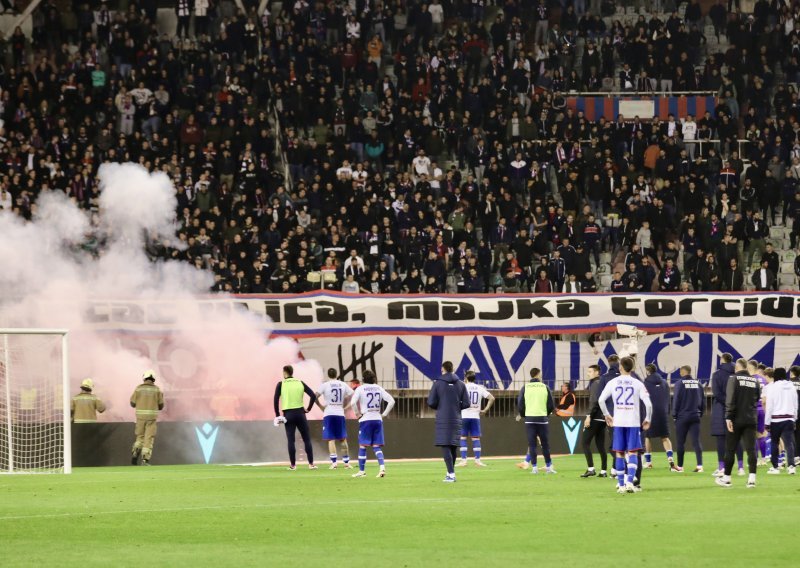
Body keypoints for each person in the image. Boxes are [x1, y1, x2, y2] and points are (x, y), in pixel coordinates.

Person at [598, 357, 653, 494]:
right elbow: (649, 404)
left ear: (620, 367)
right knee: (633, 452)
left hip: (619, 422)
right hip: (633, 422)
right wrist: (648, 418)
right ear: (632, 368)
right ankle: (630, 483)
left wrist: (607, 415)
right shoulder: (638, 383)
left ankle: (621, 485)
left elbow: (601, 400)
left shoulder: (612, 382)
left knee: (620, 453)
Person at [716, 358, 761, 488]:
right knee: (751, 449)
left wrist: (728, 416)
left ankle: (727, 478)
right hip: (751, 419)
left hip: (736, 419)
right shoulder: (755, 380)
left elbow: (730, 399)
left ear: (737, 368)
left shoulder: (733, 379)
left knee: (730, 449)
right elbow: (757, 397)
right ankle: (752, 479)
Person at [427, 361, 470, 482]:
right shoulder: (461, 384)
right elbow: (467, 403)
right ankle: (449, 473)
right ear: (453, 369)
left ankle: (451, 474)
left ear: (443, 369)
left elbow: (431, 402)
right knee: (453, 446)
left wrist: (441, 406)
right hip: (456, 417)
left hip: (443, 417)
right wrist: (456, 407)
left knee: (445, 445)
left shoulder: (438, 383)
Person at [348, 370, 395, 478]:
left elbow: (353, 402)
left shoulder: (360, 388)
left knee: (363, 445)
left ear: (363, 379)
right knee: (376, 446)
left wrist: (357, 414)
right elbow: (392, 401)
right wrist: (383, 414)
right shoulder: (379, 388)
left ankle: (361, 471)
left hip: (366, 419)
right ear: (374, 378)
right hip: (377, 419)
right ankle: (382, 468)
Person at [273, 365, 318, 471]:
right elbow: (313, 395)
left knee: (291, 440)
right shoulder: (300, 382)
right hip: (300, 413)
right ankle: (311, 464)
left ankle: (293, 465)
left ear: (284, 372)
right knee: (306, 439)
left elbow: (275, 400)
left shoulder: (281, 384)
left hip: (288, 415)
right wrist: (308, 409)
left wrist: (277, 415)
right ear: (292, 372)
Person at [517, 368, 557, 475]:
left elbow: (520, 404)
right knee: (545, 444)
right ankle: (549, 467)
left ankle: (534, 468)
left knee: (532, 444)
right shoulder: (545, 387)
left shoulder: (525, 387)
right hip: (542, 419)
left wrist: (524, 415)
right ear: (538, 375)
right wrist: (546, 414)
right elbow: (551, 405)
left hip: (529, 419)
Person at [710, 354, 744, 477]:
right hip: (736, 409)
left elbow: (717, 393)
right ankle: (741, 467)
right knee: (736, 438)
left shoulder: (717, 375)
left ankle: (721, 468)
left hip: (721, 409)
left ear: (722, 360)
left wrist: (727, 402)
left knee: (721, 438)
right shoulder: (737, 374)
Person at [315, 368, 355, 469]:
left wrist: (321, 406)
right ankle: (346, 463)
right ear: (337, 374)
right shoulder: (343, 384)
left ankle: (334, 463)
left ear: (328, 375)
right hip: (339, 413)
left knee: (331, 439)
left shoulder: (325, 385)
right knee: (342, 439)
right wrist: (346, 407)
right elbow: (353, 396)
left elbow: (314, 396)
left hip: (329, 413)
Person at [457, 370, 495, 467]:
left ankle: (463, 461)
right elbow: (492, 398)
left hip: (464, 415)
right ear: (474, 379)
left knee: (463, 438)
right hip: (475, 416)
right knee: (475, 438)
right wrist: (485, 410)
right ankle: (477, 461)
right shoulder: (479, 388)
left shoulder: (462, 387)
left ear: (466, 378)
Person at [642, 364, 676, 470]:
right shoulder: (665, 383)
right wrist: (667, 411)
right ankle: (671, 460)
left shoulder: (645, 383)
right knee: (665, 437)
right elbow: (668, 398)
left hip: (650, 413)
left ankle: (648, 462)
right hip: (663, 412)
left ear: (648, 371)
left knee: (647, 437)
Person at [672, 365, 705, 473]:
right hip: (695, 415)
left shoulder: (679, 384)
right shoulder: (698, 384)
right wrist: (700, 413)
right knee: (696, 441)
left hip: (682, 416)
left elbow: (676, 400)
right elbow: (703, 401)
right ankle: (700, 466)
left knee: (681, 442)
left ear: (682, 372)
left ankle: (680, 467)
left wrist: (674, 415)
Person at [765, 368, 797, 475]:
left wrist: (767, 422)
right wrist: (794, 418)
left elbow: (769, 406)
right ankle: (791, 466)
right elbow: (795, 403)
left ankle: (775, 467)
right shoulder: (791, 386)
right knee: (789, 443)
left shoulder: (773, 387)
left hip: (776, 419)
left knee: (775, 442)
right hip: (789, 418)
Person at [130, 370, 164, 466]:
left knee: (140, 437)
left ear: (144, 378)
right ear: (153, 379)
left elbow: (132, 403)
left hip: (140, 417)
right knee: (148, 438)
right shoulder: (157, 390)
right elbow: (161, 406)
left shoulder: (138, 389)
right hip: (151, 419)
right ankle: (145, 460)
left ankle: (135, 450)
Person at [580, 365, 608, 478]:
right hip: (603, 418)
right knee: (600, 445)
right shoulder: (602, 382)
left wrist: (588, 416)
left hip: (595, 417)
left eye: (590, 371)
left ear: (597, 372)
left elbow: (594, 401)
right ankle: (603, 471)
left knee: (584, 443)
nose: (588, 373)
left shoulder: (595, 384)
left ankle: (591, 469)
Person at [748, 360, 770, 465]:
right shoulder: (764, 379)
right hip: (763, 410)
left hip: (753, 409)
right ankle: (764, 459)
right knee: (761, 435)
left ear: (750, 368)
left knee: (752, 435)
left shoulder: (750, 380)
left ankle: (755, 459)